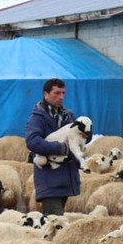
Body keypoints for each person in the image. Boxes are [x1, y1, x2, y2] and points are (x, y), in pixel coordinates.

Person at [25, 78, 80, 216]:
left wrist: (86, 134)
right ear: (46, 94)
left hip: (66, 178)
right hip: (49, 179)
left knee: (57, 220)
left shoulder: (68, 116)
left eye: (63, 93)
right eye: (57, 93)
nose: (61, 97)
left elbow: (78, 135)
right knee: (56, 221)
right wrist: (61, 148)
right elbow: (32, 141)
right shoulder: (38, 118)